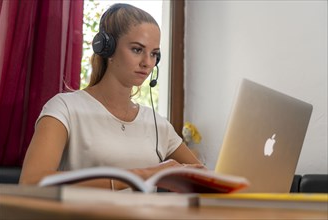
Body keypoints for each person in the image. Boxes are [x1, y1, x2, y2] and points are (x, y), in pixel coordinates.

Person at [19, 3, 204, 190]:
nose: (147, 63)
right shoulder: (64, 108)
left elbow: (204, 179)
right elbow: (31, 181)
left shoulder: (156, 124)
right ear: (107, 49)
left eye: (154, 54)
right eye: (137, 49)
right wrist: (144, 174)